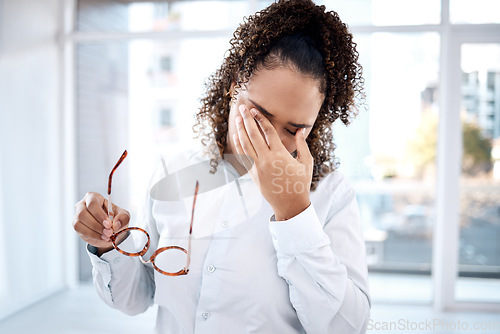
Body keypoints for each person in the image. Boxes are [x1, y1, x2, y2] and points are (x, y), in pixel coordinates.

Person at [73, 0, 371, 333]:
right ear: (233, 84)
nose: (269, 139)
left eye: (292, 129)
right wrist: (109, 241)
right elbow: (136, 298)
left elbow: (348, 327)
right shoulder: (173, 170)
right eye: (259, 115)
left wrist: (295, 213)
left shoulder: (331, 193)